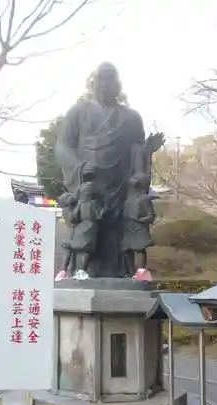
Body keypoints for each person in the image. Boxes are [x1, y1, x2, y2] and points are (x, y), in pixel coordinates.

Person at [55, 62, 148, 278]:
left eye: (110, 80)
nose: (105, 85)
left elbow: (137, 151)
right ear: (93, 83)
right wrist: (80, 168)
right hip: (90, 183)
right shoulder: (78, 112)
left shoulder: (131, 118)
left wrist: (144, 159)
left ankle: (128, 271)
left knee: (120, 233)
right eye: (101, 80)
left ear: (118, 84)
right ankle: (79, 271)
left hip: (120, 185)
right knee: (87, 233)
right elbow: (63, 146)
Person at [122, 172, 156, 280]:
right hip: (128, 227)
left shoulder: (144, 199)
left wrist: (141, 220)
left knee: (139, 249)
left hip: (139, 227)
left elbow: (151, 215)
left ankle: (140, 273)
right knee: (126, 250)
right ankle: (130, 272)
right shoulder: (128, 199)